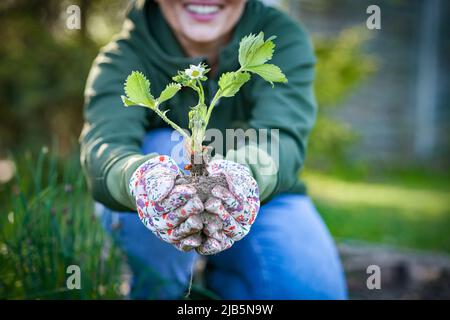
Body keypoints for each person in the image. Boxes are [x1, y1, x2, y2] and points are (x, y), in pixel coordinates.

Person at [80, 0, 348, 299]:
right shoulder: (122, 57)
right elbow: (104, 151)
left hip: (265, 190)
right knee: (166, 149)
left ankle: (225, 280)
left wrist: (241, 176)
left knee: (311, 290)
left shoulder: (279, 36)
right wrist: (140, 179)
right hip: (156, 199)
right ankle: (161, 287)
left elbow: (282, 137)